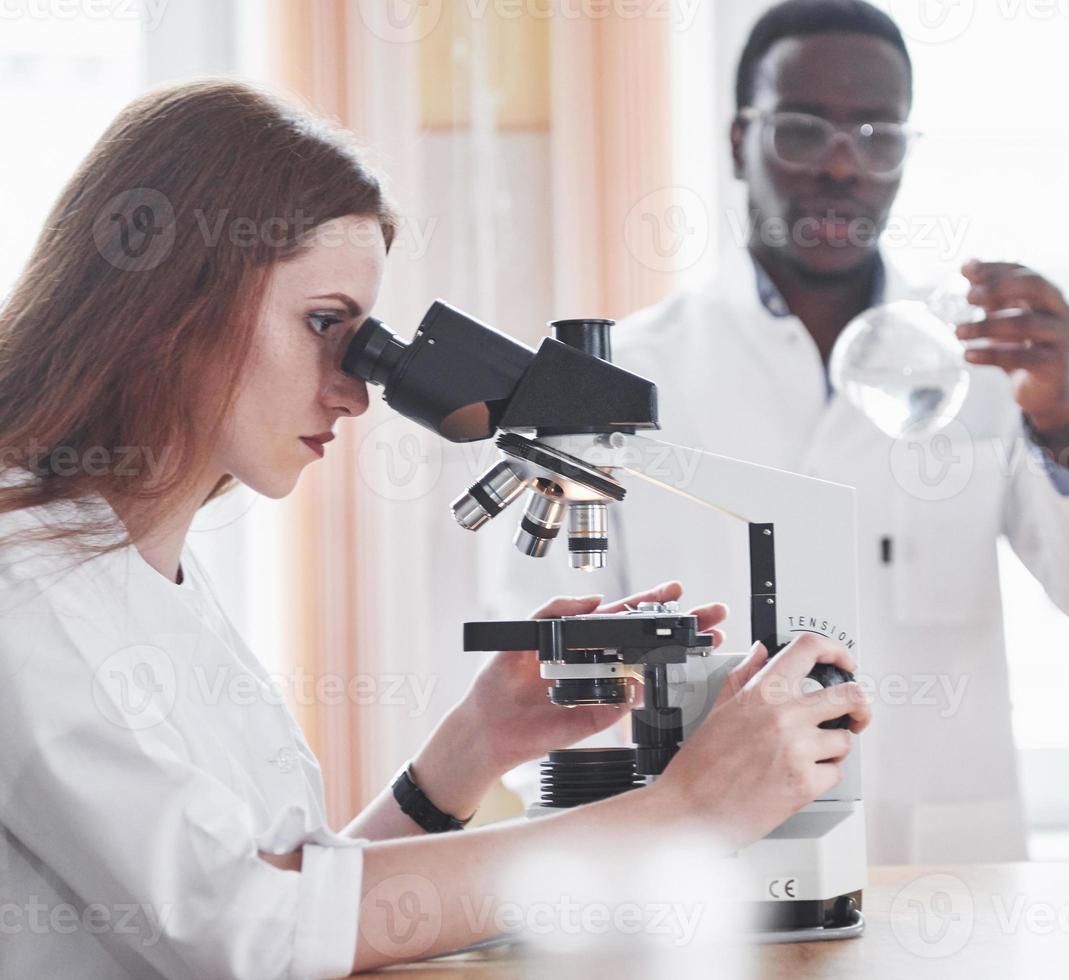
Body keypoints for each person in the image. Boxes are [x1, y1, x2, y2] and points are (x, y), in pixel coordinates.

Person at [0, 79, 871, 978]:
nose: (352, 389)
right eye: (324, 325)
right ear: (176, 301)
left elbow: (301, 908)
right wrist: (683, 815)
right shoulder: (26, 591)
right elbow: (251, 933)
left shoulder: (143, 569)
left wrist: (465, 754)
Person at [483, 0, 1069, 864]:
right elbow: (550, 680)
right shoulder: (624, 377)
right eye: (804, 130)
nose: (843, 166)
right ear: (740, 140)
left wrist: (1062, 415)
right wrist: (637, 871)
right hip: (706, 890)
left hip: (937, 877)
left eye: (877, 133)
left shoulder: (988, 371)